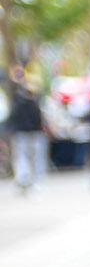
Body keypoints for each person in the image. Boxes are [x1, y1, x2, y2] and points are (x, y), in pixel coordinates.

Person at [6, 66, 47, 195]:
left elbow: (13, 118)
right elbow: (39, 119)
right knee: (31, 159)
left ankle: (24, 179)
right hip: (31, 135)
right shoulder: (34, 104)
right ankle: (29, 181)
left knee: (23, 158)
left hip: (23, 134)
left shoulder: (17, 103)